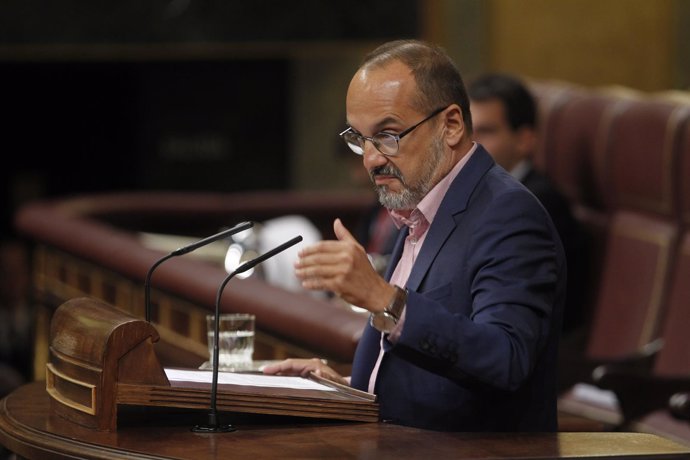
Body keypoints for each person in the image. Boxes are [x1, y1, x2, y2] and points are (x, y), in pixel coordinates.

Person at [264, 40, 565, 432]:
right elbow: (434, 371)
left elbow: (505, 357)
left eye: (388, 135)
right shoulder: (419, 209)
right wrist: (348, 388)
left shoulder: (507, 214)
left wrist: (383, 299)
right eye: (360, 139)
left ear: (451, 125)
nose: (372, 158)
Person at [468, 73, 585, 333]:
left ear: (524, 140)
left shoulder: (535, 203)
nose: (471, 144)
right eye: (468, 131)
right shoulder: (478, 192)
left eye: (486, 132)